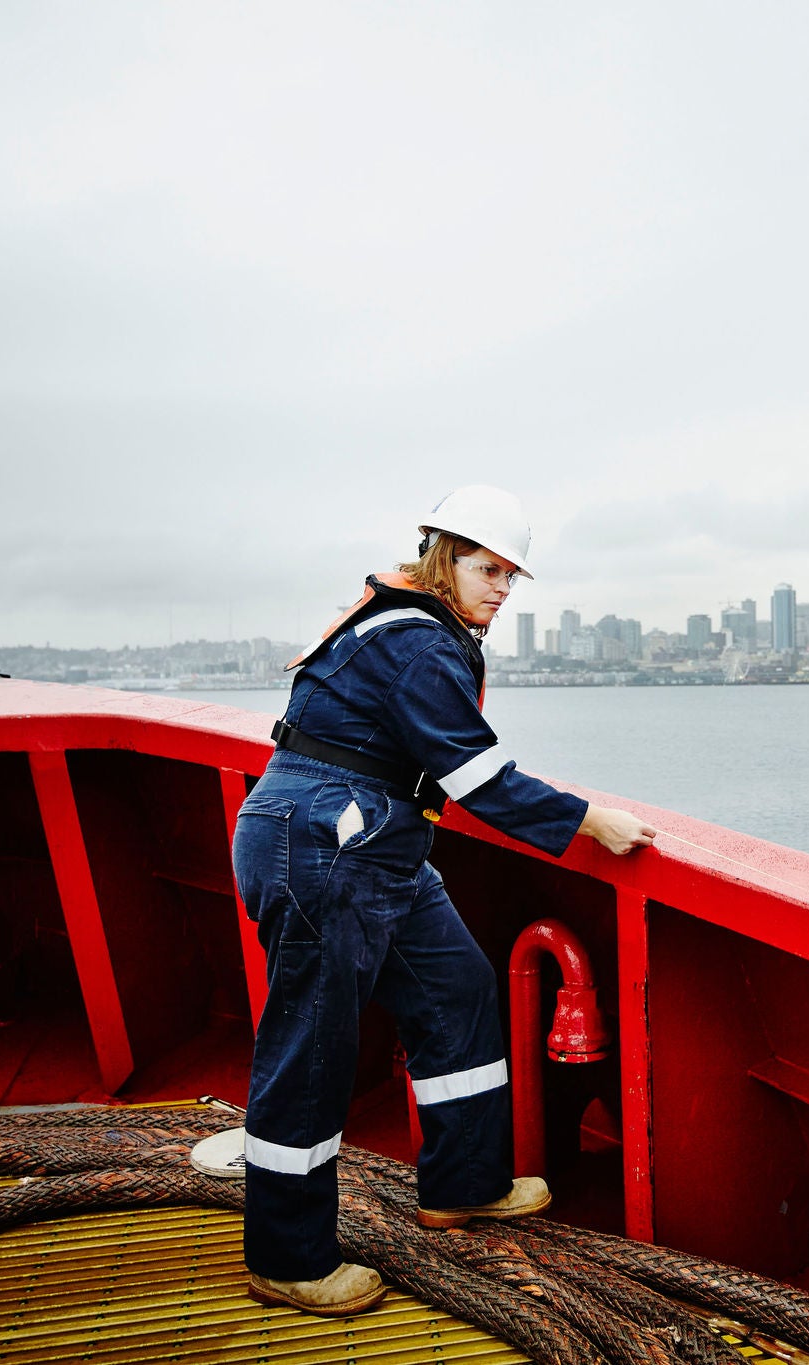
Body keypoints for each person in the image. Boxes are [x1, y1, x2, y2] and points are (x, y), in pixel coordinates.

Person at [232, 485, 656, 1317]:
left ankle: (464, 1183)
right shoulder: (419, 642)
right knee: (311, 1055)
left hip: (379, 845)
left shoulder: (417, 628)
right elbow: (473, 776)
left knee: (457, 990)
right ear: (442, 559)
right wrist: (589, 820)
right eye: (485, 567)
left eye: (509, 574)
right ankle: (287, 1259)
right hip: (327, 845)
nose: (500, 586)